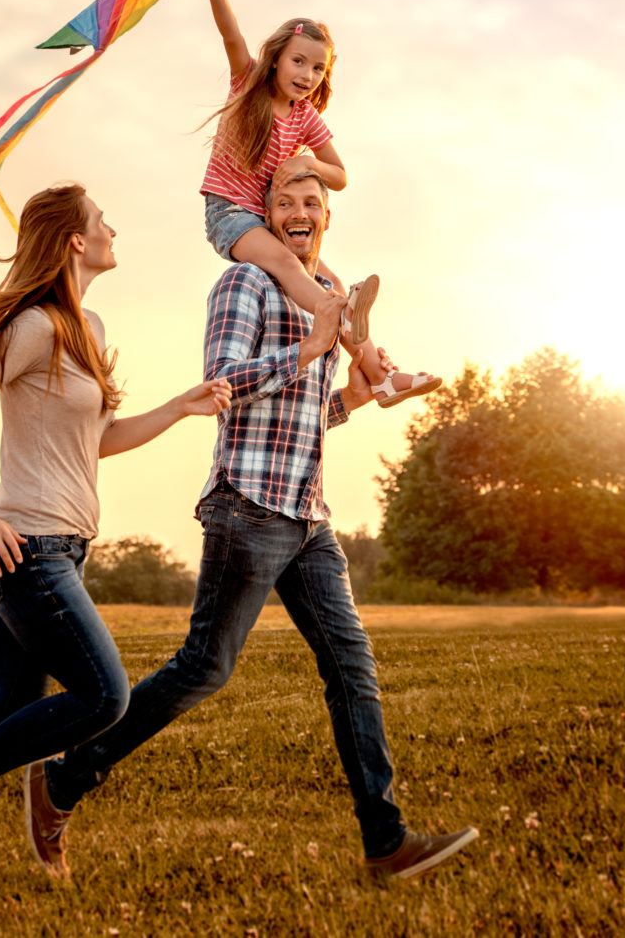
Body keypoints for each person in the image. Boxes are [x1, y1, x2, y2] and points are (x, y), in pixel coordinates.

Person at [28, 170, 476, 881]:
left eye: (312, 204)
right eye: (284, 204)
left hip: (308, 514)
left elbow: (304, 418)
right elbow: (224, 386)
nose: (300, 213)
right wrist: (310, 348)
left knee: (352, 667)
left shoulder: (320, 299)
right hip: (247, 507)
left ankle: (385, 844)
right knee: (204, 667)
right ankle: (65, 780)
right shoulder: (245, 286)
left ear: (327, 218)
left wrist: (354, 398)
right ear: (263, 220)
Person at [0, 184, 233, 919]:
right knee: (105, 696)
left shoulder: (85, 325)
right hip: (23, 546)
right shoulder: (32, 324)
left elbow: (96, 441)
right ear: (73, 239)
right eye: (102, 221)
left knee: (8, 706)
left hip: (64, 545)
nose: (112, 228)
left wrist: (179, 407)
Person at [193, 0, 441, 411]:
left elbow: (340, 174)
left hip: (265, 221)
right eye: (298, 62)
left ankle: (381, 378)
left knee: (332, 283)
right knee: (293, 270)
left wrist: (309, 164)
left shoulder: (305, 117)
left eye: (318, 68)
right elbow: (231, 37)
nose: (307, 75)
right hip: (229, 214)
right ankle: (339, 314)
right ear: (276, 60)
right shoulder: (248, 85)